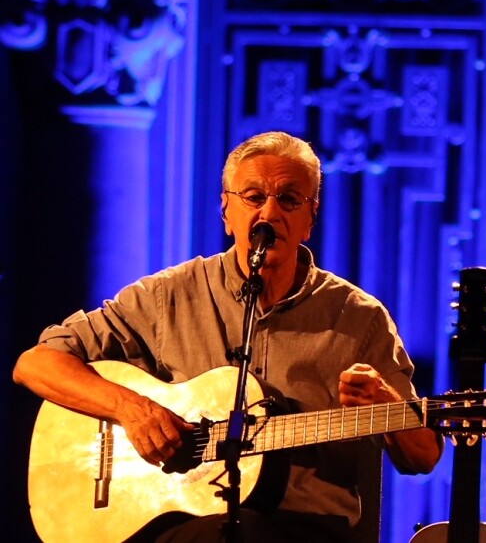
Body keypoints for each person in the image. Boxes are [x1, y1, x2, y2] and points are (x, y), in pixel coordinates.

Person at [13, 131, 442, 543]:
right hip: (183, 522)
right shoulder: (169, 296)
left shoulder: (359, 317)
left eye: (289, 200)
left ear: (310, 218)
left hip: (307, 528)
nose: (270, 214)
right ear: (226, 212)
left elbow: (423, 456)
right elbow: (36, 363)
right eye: (254, 197)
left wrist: (387, 402)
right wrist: (132, 409)